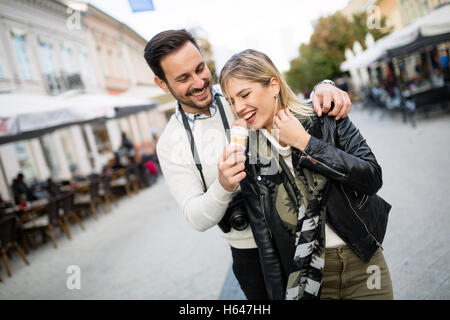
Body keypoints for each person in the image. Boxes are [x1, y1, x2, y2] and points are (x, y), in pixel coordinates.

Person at [143, 29, 352, 300]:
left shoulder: (237, 93)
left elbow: (284, 96)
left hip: (299, 232)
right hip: (250, 253)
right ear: (162, 83)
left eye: (200, 69)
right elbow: (195, 216)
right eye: (183, 78)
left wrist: (323, 86)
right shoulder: (171, 143)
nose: (198, 82)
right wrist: (223, 186)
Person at [219, 49, 393, 300]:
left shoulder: (325, 117)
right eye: (231, 101)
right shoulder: (249, 157)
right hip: (308, 278)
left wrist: (306, 143)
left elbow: (372, 178)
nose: (238, 107)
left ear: (274, 85)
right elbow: (265, 242)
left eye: (244, 94)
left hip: (363, 263)